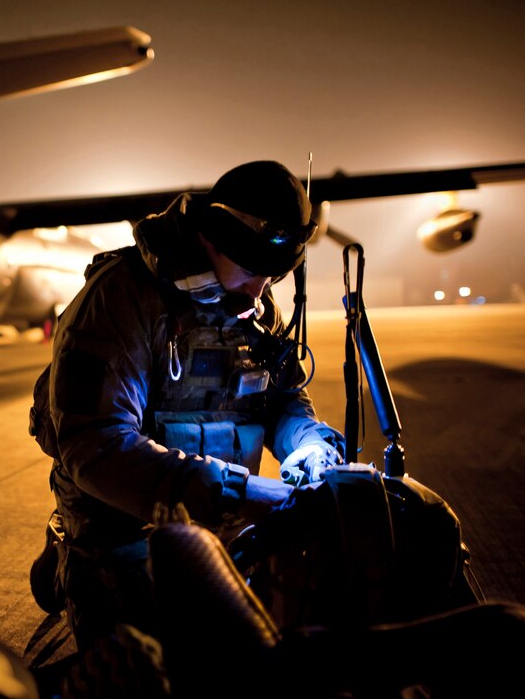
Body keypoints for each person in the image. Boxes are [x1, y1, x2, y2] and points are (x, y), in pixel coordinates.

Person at [28, 160, 345, 651]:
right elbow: (96, 445)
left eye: (272, 278)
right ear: (211, 240)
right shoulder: (119, 300)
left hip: (232, 530)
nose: (259, 292)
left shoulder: (253, 299)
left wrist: (310, 444)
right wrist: (236, 491)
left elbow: (281, 398)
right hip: (126, 533)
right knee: (162, 668)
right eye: (250, 271)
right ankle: (68, 568)